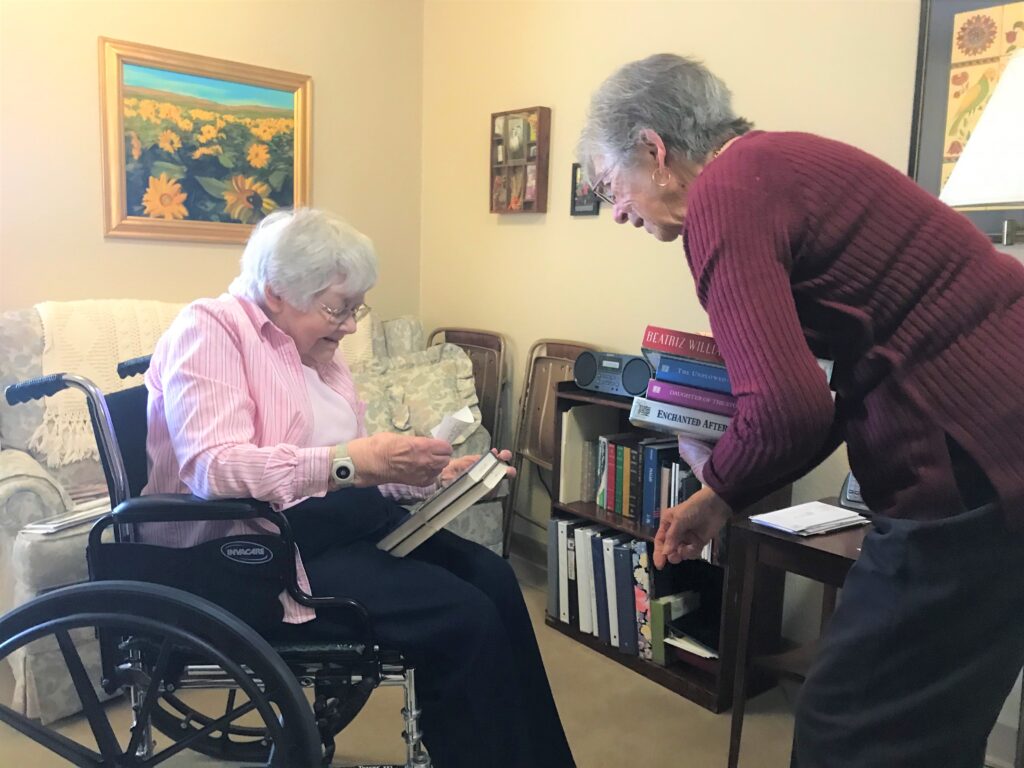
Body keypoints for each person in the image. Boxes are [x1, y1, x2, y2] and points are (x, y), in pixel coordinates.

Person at [577, 53, 1024, 768]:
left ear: (655, 151)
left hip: (972, 453)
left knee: (849, 727)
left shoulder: (726, 194)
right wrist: (724, 492)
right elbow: (820, 402)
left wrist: (716, 484)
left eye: (609, 186)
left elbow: (786, 410)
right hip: (1000, 440)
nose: (617, 211)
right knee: (934, 721)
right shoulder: (776, 164)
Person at [141, 208, 575, 768]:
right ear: (276, 292)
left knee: (494, 577)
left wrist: (421, 477)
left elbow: (350, 468)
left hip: (335, 527)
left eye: (355, 307)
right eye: (337, 308)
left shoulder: (317, 352)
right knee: (462, 618)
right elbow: (214, 469)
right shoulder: (209, 331)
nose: (350, 325)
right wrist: (355, 461)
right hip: (260, 550)